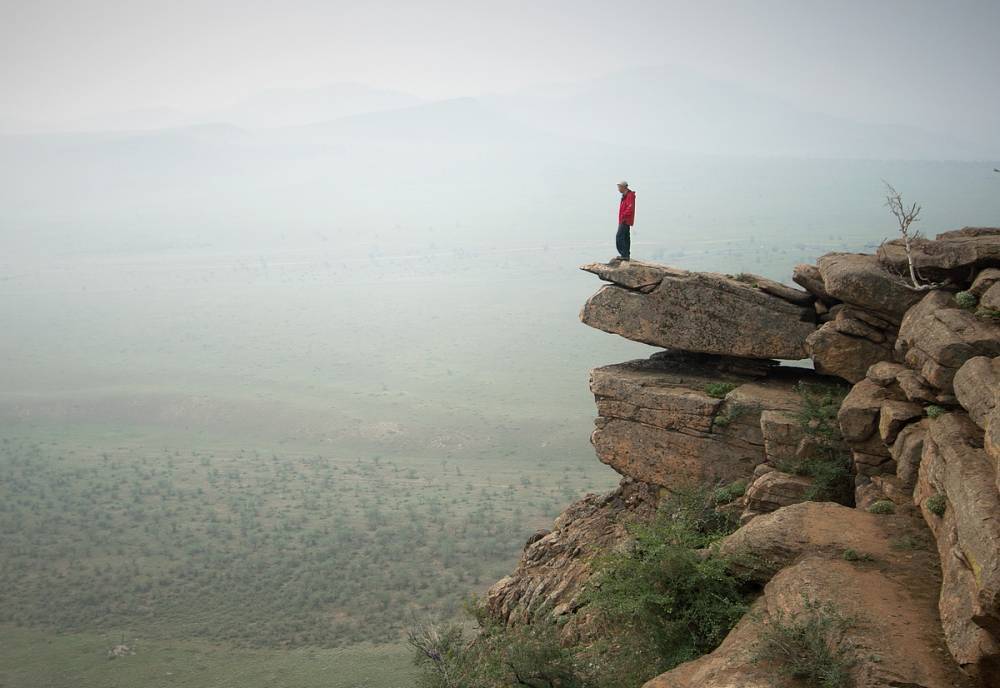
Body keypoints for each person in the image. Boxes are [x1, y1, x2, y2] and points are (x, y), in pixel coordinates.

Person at [615, 181, 636, 262]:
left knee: (620, 237)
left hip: (625, 219)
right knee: (625, 237)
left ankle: (624, 255)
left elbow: (630, 208)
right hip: (624, 219)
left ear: (624, 187)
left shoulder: (629, 196)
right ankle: (626, 255)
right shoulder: (625, 196)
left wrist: (624, 216)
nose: (618, 189)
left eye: (619, 187)